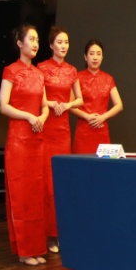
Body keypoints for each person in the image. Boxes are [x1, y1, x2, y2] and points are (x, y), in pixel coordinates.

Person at [0, 24, 49, 266]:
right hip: (19, 140)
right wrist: (28, 116)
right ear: (19, 43)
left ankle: (37, 247)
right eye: (31, 39)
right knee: (21, 194)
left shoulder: (39, 74)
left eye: (37, 39)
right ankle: (24, 250)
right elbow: (3, 105)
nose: (35, 44)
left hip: (37, 139)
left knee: (36, 193)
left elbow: (45, 105)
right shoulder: (10, 71)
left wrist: (42, 117)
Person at [36, 26, 82, 252]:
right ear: (51, 45)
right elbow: (38, 97)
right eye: (60, 42)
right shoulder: (41, 68)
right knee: (46, 181)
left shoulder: (72, 70)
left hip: (63, 129)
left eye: (66, 42)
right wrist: (51, 103)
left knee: (60, 181)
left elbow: (80, 99)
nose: (64, 46)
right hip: (47, 127)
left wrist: (67, 104)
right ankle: (47, 234)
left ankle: (60, 232)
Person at [71, 40, 123, 154]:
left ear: (102, 57)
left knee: (102, 164)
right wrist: (87, 116)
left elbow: (119, 105)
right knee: (82, 163)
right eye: (91, 54)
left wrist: (103, 117)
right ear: (85, 57)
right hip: (84, 130)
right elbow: (71, 105)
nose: (95, 57)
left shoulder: (108, 79)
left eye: (98, 54)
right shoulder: (77, 77)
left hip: (102, 129)